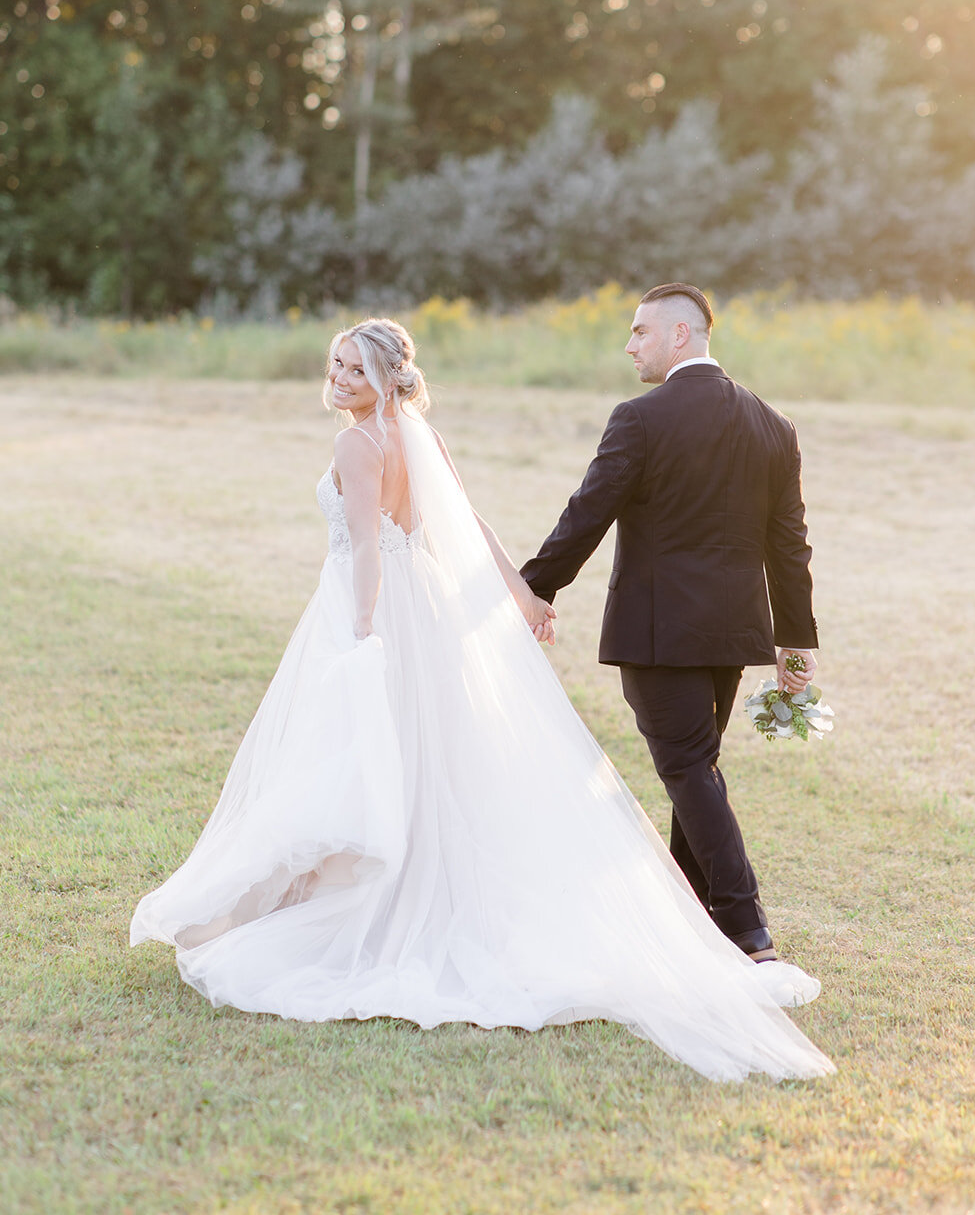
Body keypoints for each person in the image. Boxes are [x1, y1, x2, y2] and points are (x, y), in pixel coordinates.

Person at [131, 317, 832, 1083]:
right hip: (465, 613)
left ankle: (352, 896)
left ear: (386, 378)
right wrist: (525, 597)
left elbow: (376, 544)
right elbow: (476, 526)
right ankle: (694, 919)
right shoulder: (419, 435)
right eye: (335, 365)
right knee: (431, 756)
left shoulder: (360, 444)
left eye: (355, 370)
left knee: (364, 754)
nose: (339, 380)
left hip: (388, 613)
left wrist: (363, 635)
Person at [521, 283, 818, 968]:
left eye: (638, 333)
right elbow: (789, 547)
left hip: (658, 632)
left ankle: (749, 934)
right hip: (731, 634)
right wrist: (794, 644)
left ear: (679, 336)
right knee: (697, 769)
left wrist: (532, 588)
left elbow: (585, 514)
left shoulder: (640, 419)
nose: (629, 346)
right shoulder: (773, 425)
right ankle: (690, 918)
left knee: (687, 768)